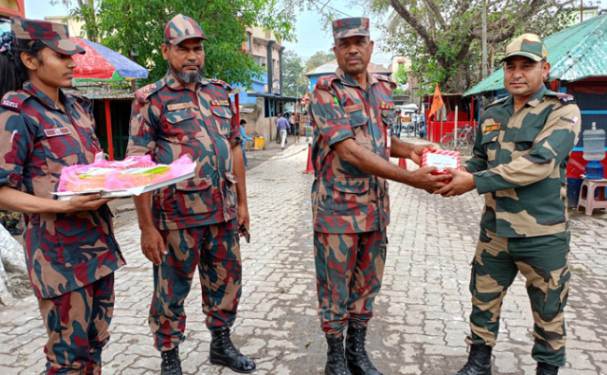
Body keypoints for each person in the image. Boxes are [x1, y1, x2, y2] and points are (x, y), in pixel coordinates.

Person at [310, 17, 449, 375]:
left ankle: (357, 351)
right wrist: (410, 178)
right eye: (345, 44)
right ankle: (334, 357)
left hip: (374, 210)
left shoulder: (383, 88)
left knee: (367, 284)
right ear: (336, 50)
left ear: (371, 47)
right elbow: (350, 151)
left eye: (359, 42)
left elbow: (381, 141)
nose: (353, 49)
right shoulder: (326, 91)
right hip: (337, 210)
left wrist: (413, 150)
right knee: (334, 287)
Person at [436, 34, 581, 375]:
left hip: (542, 235)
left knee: (548, 309)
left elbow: (540, 162)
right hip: (495, 231)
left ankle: (547, 369)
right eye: (510, 66)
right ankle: (478, 362)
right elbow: (477, 160)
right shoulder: (492, 112)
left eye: (526, 66)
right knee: (482, 299)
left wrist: (474, 181)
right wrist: (449, 173)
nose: (517, 73)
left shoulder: (563, 111)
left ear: (544, 69)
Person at [126, 14, 255, 375]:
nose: (192, 56)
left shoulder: (220, 93)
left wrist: (243, 204)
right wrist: (146, 227)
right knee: (170, 292)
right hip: (175, 219)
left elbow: (234, 149)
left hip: (222, 214)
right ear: (167, 51)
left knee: (227, 283)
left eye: (197, 49)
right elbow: (138, 164)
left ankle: (221, 344)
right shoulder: (150, 99)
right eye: (183, 49)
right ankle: (170, 357)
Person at [0, 19, 125, 373]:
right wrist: (61, 206)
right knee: (67, 357)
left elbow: (89, 165)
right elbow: (2, 192)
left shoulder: (79, 108)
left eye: (73, 55)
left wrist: (115, 176)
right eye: (61, 55)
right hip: (59, 258)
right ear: (30, 60)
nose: (73, 63)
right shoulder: (17, 113)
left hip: (98, 246)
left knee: (96, 342)